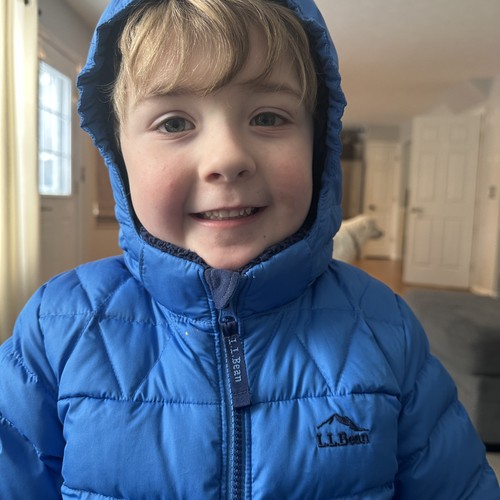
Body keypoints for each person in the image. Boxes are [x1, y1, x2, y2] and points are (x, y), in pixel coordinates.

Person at [0, 0, 499, 497]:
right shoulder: (57, 327)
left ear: (318, 146)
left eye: (268, 117)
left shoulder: (385, 326)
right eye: (174, 123)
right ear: (118, 155)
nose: (227, 157)